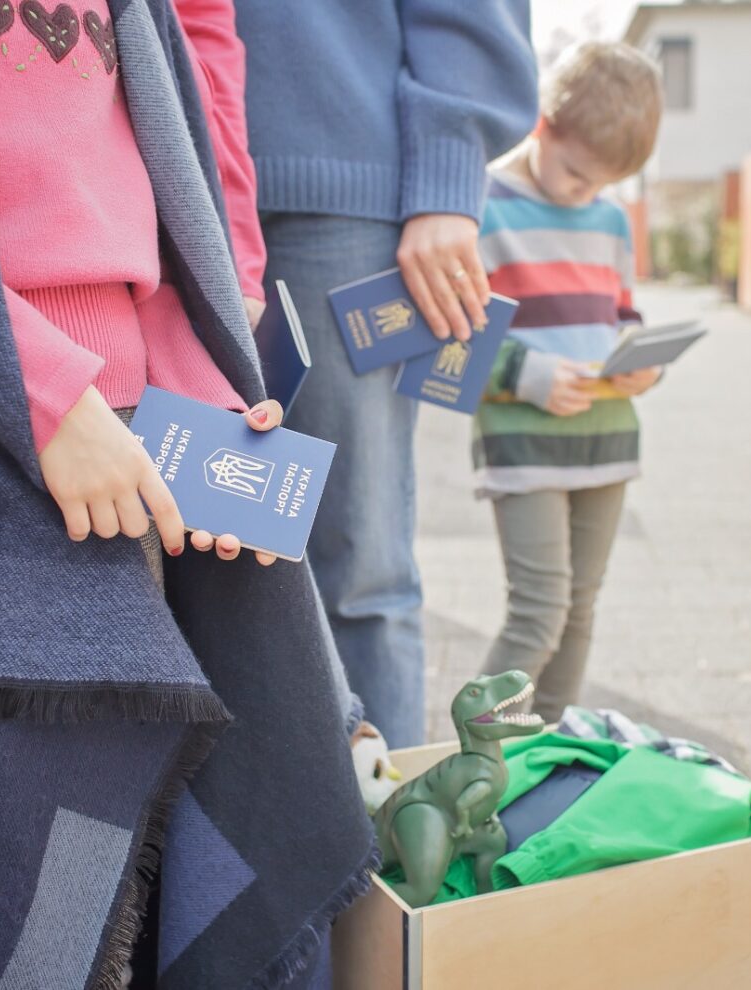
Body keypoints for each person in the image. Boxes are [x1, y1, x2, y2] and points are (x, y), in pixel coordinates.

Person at [0, 4, 372, 988]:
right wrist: (43, 396)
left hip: (125, 445)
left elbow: (160, 178)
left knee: (97, 868)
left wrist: (192, 396)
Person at [222, 0, 540, 748]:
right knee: (204, 550)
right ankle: (238, 846)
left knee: (357, 560)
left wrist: (448, 175)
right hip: (165, 176)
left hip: (340, 186)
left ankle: (380, 848)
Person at [474, 42, 664, 723]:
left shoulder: (612, 221)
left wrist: (643, 359)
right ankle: (468, 757)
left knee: (581, 609)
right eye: (578, 174)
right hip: (522, 441)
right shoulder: (480, 204)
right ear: (543, 124)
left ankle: (548, 752)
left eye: (601, 183)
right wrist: (526, 373)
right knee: (539, 611)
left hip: (607, 436)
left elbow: (623, 312)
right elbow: (452, 333)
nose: (586, 194)